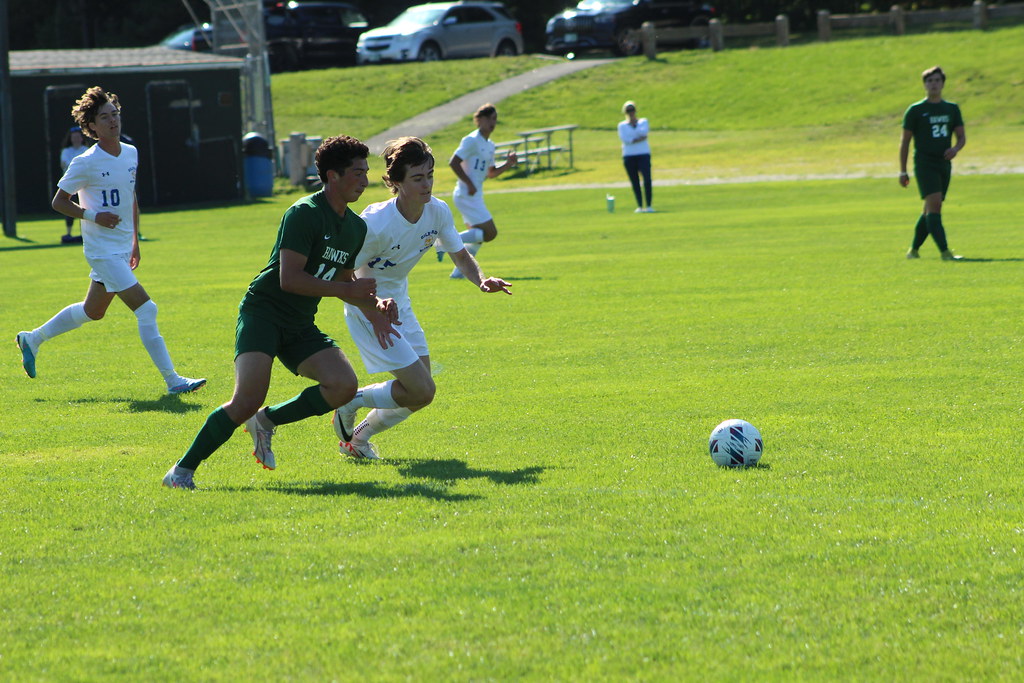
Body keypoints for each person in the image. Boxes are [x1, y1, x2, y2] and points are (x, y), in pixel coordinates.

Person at [163, 135, 400, 490]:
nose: (365, 181)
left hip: (299, 322)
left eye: (366, 172)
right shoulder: (303, 213)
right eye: (356, 173)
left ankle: (267, 421)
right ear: (332, 176)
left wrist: (376, 306)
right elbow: (290, 279)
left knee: (342, 385)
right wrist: (347, 290)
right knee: (245, 399)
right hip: (265, 312)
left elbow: (344, 282)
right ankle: (180, 472)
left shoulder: (355, 227)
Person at [16, 86, 205, 395]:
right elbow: (59, 202)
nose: (113, 121)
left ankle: (32, 338)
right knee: (147, 309)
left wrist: (135, 241)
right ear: (91, 127)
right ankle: (173, 381)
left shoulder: (131, 152)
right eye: (104, 117)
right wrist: (93, 216)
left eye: (115, 114)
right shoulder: (84, 161)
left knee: (94, 311)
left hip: (120, 247)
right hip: (101, 251)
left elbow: (130, 197)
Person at [332, 136, 512, 460]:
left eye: (430, 175)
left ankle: (357, 439)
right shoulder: (375, 223)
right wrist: (373, 309)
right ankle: (351, 400)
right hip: (366, 305)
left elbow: (460, 254)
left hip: (399, 301)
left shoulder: (437, 211)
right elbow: (344, 273)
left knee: (420, 392)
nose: (427, 184)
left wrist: (482, 280)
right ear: (395, 182)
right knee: (421, 389)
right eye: (418, 178)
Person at [443, 103, 517, 279]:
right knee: (490, 233)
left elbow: (491, 173)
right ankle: (445, 242)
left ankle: (458, 272)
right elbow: (454, 162)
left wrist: (508, 164)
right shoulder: (471, 140)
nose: (493, 123)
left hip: (475, 194)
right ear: (480, 120)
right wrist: (469, 183)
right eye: (490, 119)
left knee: (478, 237)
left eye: (495, 119)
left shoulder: (490, 145)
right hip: (466, 194)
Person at [900, 66, 966, 261]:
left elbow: (961, 136)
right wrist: (902, 171)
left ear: (943, 83)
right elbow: (905, 142)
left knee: (929, 209)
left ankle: (913, 251)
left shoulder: (951, 109)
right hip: (924, 164)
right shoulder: (916, 110)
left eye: (937, 80)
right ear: (925, 85)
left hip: (943, 164)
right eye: (930, 81)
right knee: (935, 206)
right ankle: (945, 253)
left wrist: (955, 149)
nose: (933, 84)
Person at [618, 100, 653, 213]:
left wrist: (634, 137)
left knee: (647, 179)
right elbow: (626, 140)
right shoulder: (622, 125)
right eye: (628, 110)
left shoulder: (643, 121)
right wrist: (637, 138)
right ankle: (639, 205)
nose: (630, 112)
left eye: (632, 110)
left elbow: (644, 133)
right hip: (629, 155)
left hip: (643, 154)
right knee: (635, 181)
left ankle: (648, 205)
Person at [58, 126, 89, 243]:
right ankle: (69, 233)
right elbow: (65, 165)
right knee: (69, 208)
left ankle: (84, 232)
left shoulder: (86, 149)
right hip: (70, 185)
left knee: (84, 208)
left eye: (78, 137)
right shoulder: (66, 151)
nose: (76, 139)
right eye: (73, 137)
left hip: (84, 185)